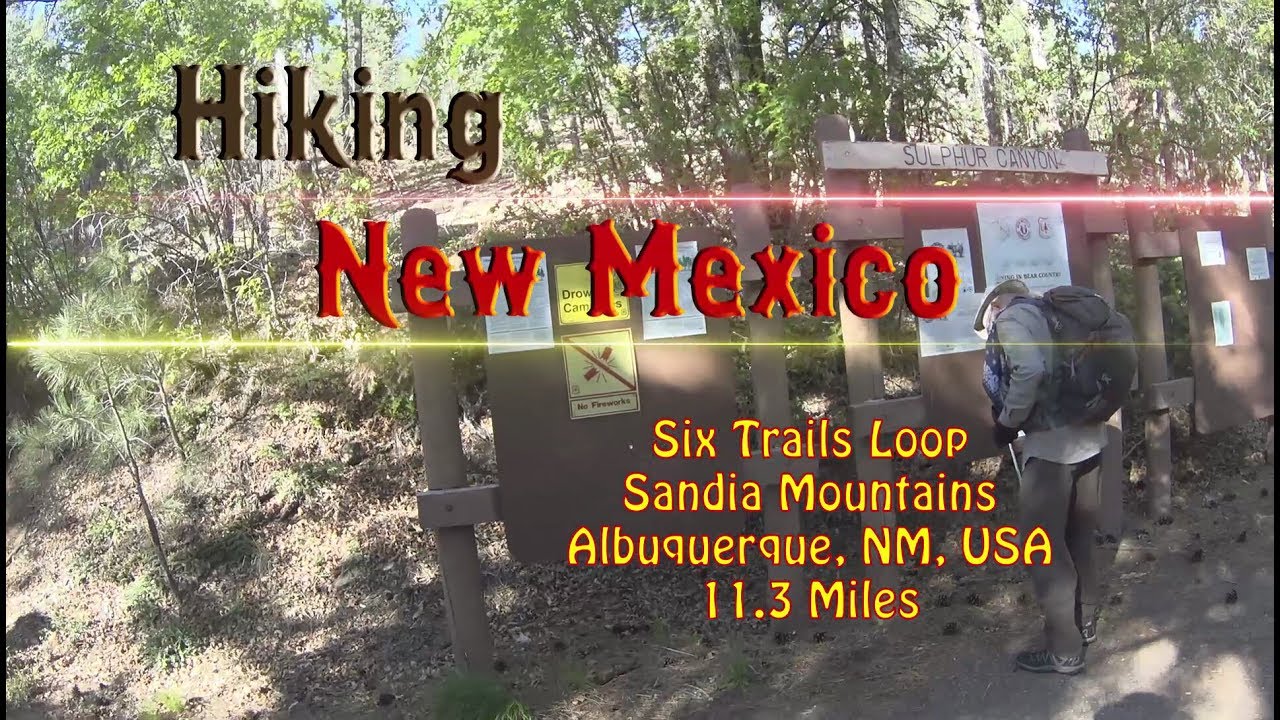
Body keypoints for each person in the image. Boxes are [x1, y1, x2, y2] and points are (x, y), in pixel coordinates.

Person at [974, 278, 1108, 676]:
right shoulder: (1056, 315)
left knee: (1043, 547)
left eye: (991, 314)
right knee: (1079, 536)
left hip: (1051, 449)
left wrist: (1007, 422)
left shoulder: (1014, 318)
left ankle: (1065, 652)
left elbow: (1028, 369)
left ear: (997, 305)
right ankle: (1084, 624)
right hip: (1090, 437)